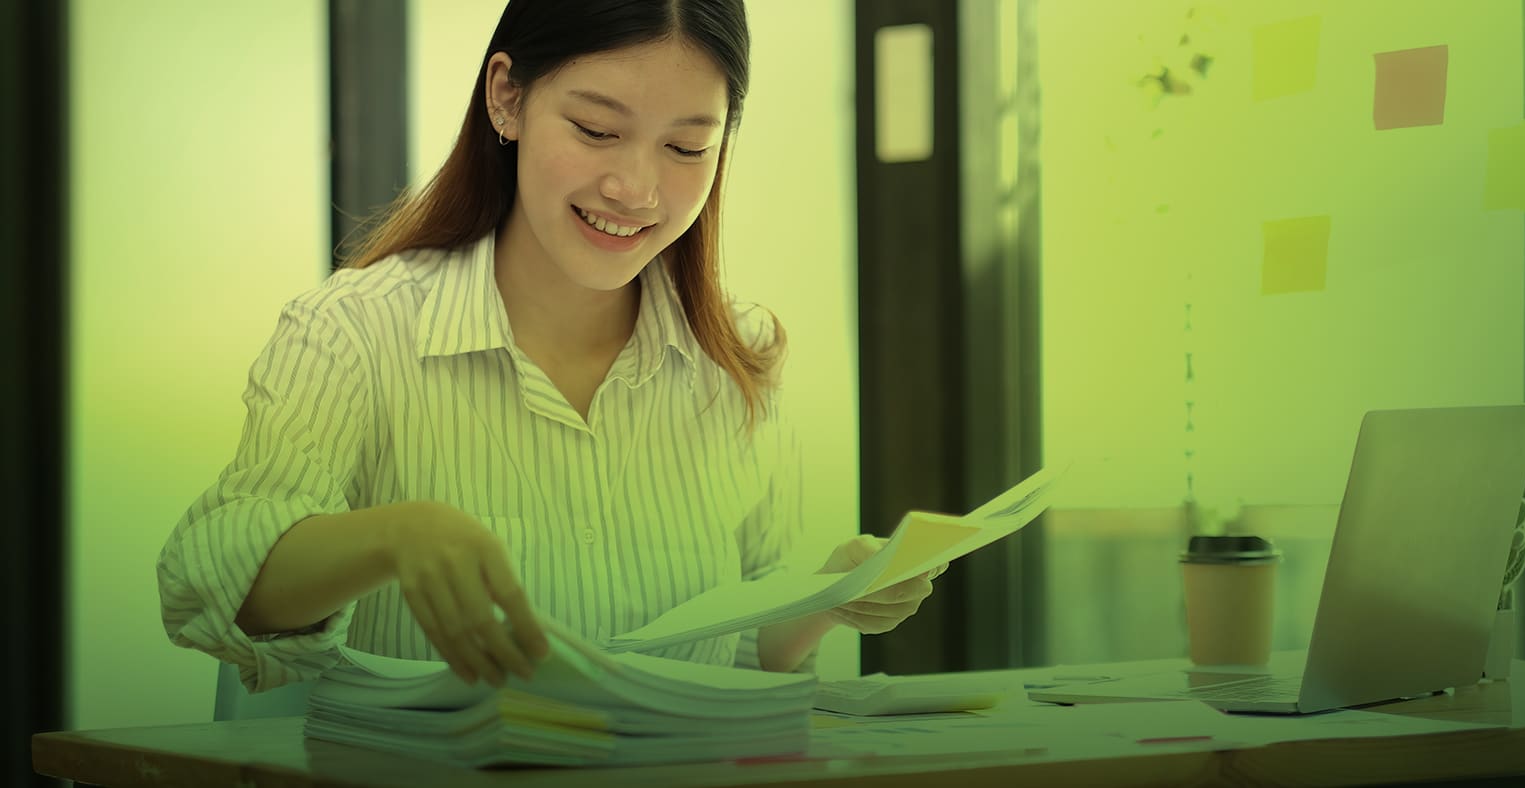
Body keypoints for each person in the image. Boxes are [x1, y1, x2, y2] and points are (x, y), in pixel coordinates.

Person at [156, 0, 943, 693]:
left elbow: (735, 663)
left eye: (685, 149)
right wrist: (392, 535)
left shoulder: (736, 357)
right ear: (507, 97)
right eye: (597, 130)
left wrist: (825, 600)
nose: (635, 189)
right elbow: (208, 581)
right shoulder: (355, 332)